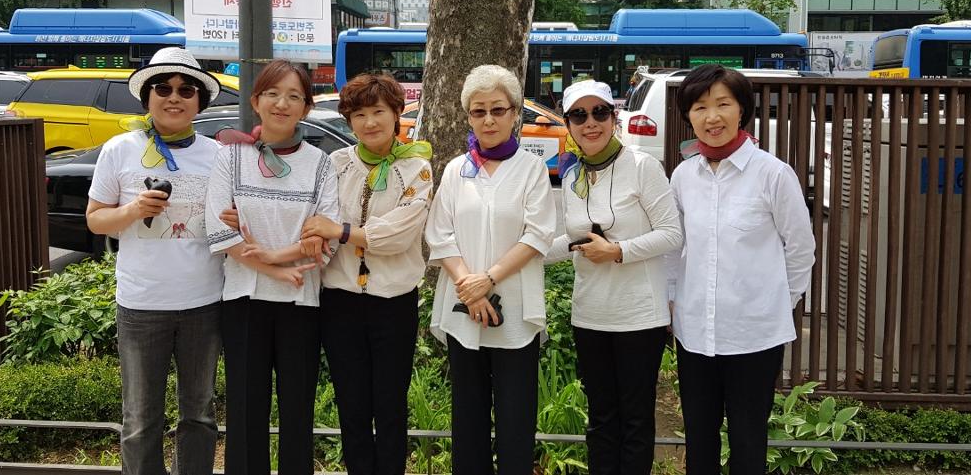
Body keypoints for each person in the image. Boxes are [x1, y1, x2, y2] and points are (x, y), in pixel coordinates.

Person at [667, 64, 815, 475]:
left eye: (723, 104)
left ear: (742, 110)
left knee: (748, 440)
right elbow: (673, 247)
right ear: (689, 116)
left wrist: (778, 303)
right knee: (699, 438)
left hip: (755, 335)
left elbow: (801, 249)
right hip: (695, 332)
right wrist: (671, 300)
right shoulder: (683, 176)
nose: (712, 117)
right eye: (700, 107)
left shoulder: (773, 174)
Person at [85, 47, 225, 475]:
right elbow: (95, 219)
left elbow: (229, 222)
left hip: (204, 302)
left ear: (200, 101)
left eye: (186, 90)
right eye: (162, 88)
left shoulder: (218, 155)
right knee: (140, 419)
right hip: (141, 304)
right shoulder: (119, 149)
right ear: (147, 96)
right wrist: (132, 211)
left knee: (199, 414)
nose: (174, 97)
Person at [287, 73, 433, 475]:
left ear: (397, 113)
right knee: (351, 405)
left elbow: (399, 235)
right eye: (359, 114)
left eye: (378, 111)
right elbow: (311, 220)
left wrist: (341, 231)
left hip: (394, 302)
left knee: (390, 406)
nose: (370, 122)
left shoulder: (417, 168)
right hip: (340, 301)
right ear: (349, 120)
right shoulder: (335, 164)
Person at [204, 59, 339, 475]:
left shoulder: (320, 164)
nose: (283, 104)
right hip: (243, 301)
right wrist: (277, 268)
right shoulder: (231, 157)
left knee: (298, 409)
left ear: (307, 107)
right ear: (256, 101)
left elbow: (325, 240)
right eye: (273, 94)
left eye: (294, 96)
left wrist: (272, 255)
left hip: (302, 302)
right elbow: (218, 230)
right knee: (246, 409)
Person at [544, 79, 683, 475]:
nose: (590, 123)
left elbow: (672, 233)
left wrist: (618, 251)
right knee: (601, 418)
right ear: (568, 124)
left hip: (639, 315)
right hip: (590, 314)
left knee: (635, 420)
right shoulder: (573, 174)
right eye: (579, 115)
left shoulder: (642, 166)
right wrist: (523, 254)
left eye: (599, 112)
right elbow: (574, 240)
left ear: (614, 117)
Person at [425, 64, 556, 475]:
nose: (488, 120)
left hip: (514, 310)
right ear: (468, 116)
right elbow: (439, 233)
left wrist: (489, 279)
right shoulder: (456, 170)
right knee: (468, 419)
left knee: (516, 420)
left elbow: (538, 234)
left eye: (498, 110)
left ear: (515, 113)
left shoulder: (531, 169)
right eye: (478, 111)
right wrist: (470, 286)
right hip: (464, 307)